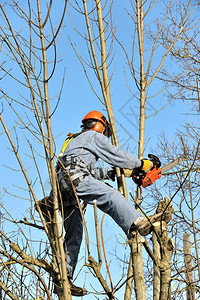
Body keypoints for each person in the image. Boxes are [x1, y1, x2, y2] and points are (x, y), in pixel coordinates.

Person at [38, 110, 171, 297]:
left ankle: (64, 279)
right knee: (110, 195)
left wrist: (115, 172)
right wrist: (142, 164)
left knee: (74, 234)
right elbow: (115, 154)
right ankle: (136, 221)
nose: (104, 135)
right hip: (76, 179)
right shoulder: (92, 135)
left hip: (63, 186)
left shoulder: (76, 142)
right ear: (99, 125)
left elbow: (90, 170)